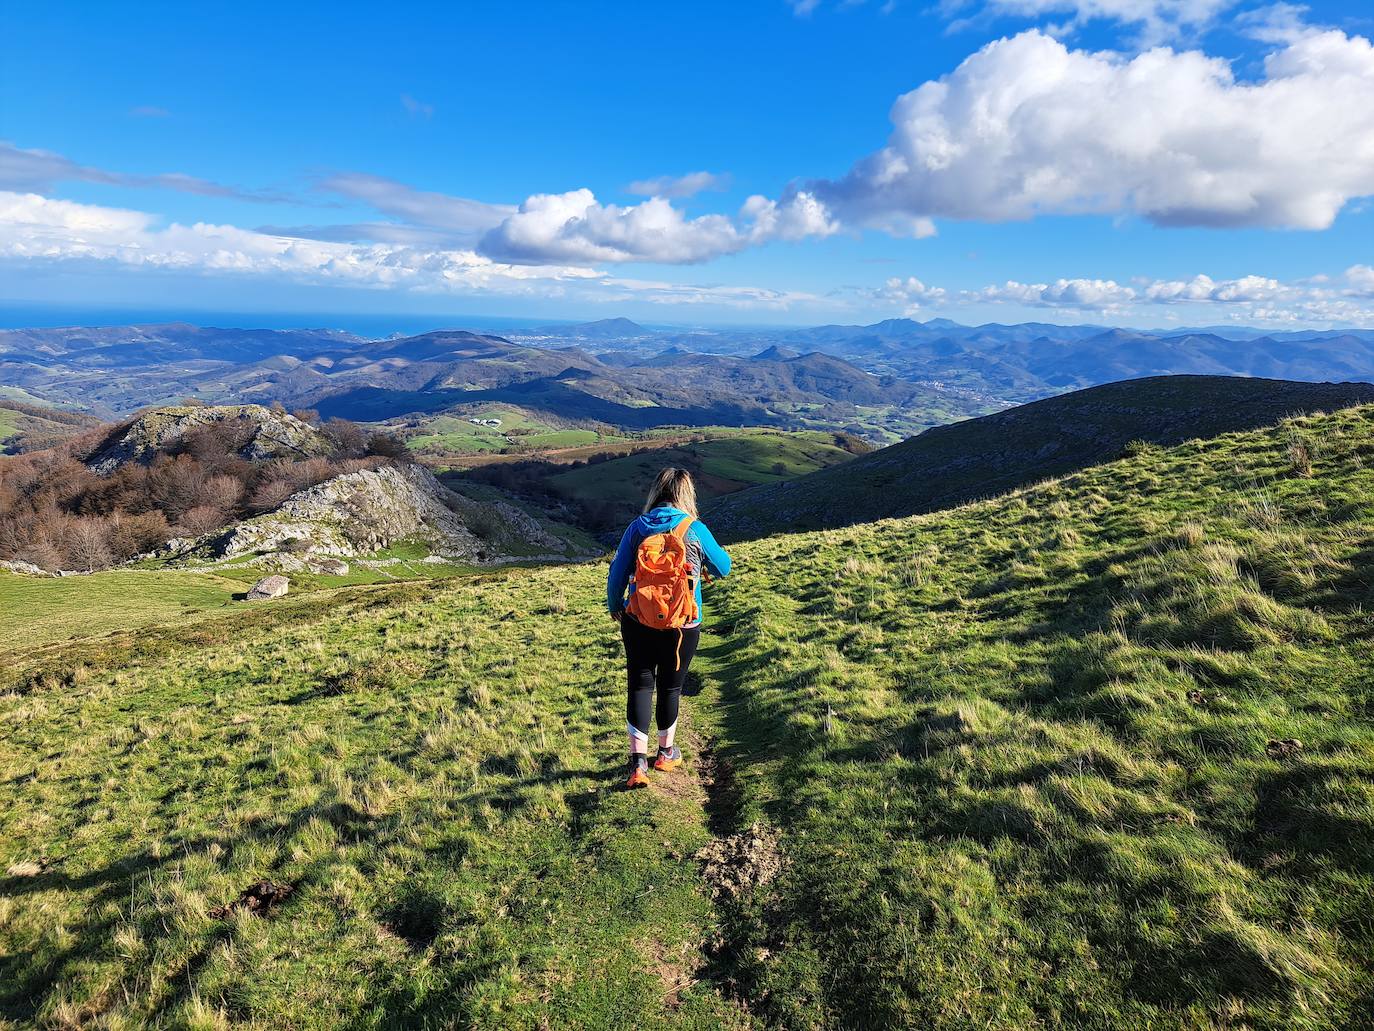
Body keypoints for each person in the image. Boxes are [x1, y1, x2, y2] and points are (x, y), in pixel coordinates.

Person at [607, 467, 731, 788]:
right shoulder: (695, 529)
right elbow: (724, 568)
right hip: (684, 622)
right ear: (686, 495)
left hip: (638, 620)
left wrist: (616, 606)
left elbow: (617, 572)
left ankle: (638, 764)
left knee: (639, 685)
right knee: (670, 687)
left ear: (656, 493)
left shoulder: (637, 528)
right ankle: (665, 753)